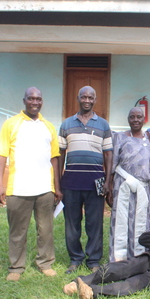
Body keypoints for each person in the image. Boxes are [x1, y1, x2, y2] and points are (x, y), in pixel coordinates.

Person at [0, 87, 62, 281]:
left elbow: (55, 158)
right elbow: (1, 155)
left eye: (38, 99)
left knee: (46, 230)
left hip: (44, 189)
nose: (35, 102)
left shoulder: (48, 126)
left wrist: (57, 187)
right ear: (24, 100)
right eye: (31, 98)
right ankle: (16, 267)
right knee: (18, 231)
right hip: (18, 188)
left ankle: (45, 263)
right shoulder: (11, 124)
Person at [58, 86, 113, 274]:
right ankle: (75, 259)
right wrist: (59, 181)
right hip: (71, 183)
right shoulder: (66, 124)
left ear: (95, 100)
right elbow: (60, 154)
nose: (87, 100)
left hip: (95, 183)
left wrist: (107, 181)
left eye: (90, 97)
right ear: (78, 98)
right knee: (72, 224)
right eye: (84, 97)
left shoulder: (103, 125)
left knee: (94, 224)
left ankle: (94, 260)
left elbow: (108, 155)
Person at [109, 107, 150, 262]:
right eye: (132, 117)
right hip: (123, 185)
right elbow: (113, 163)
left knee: (144, 222)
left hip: (144, 188)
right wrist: (110, 188)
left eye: (139, 117)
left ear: (143, 119)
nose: (135, 120)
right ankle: (120, 258)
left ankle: (142, 258)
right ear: (128, 119)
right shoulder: (120, 137)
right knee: (123, 220)